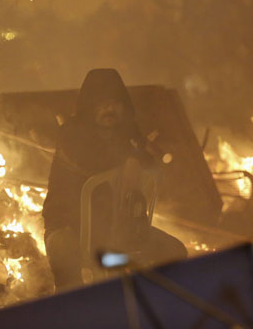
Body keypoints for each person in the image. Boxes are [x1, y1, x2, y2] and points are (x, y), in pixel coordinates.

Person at [42, 69, 187, 292]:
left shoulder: (128, 134)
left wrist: (139, 157)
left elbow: (151, 164)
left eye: (115, 103)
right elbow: (87, 161)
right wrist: (129, 160)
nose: (109, 109)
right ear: (90, 106)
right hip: (69, 227)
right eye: (102, 103)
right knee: (66, 263)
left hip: (118, 231)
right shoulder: (71, 133)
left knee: (174, 251)